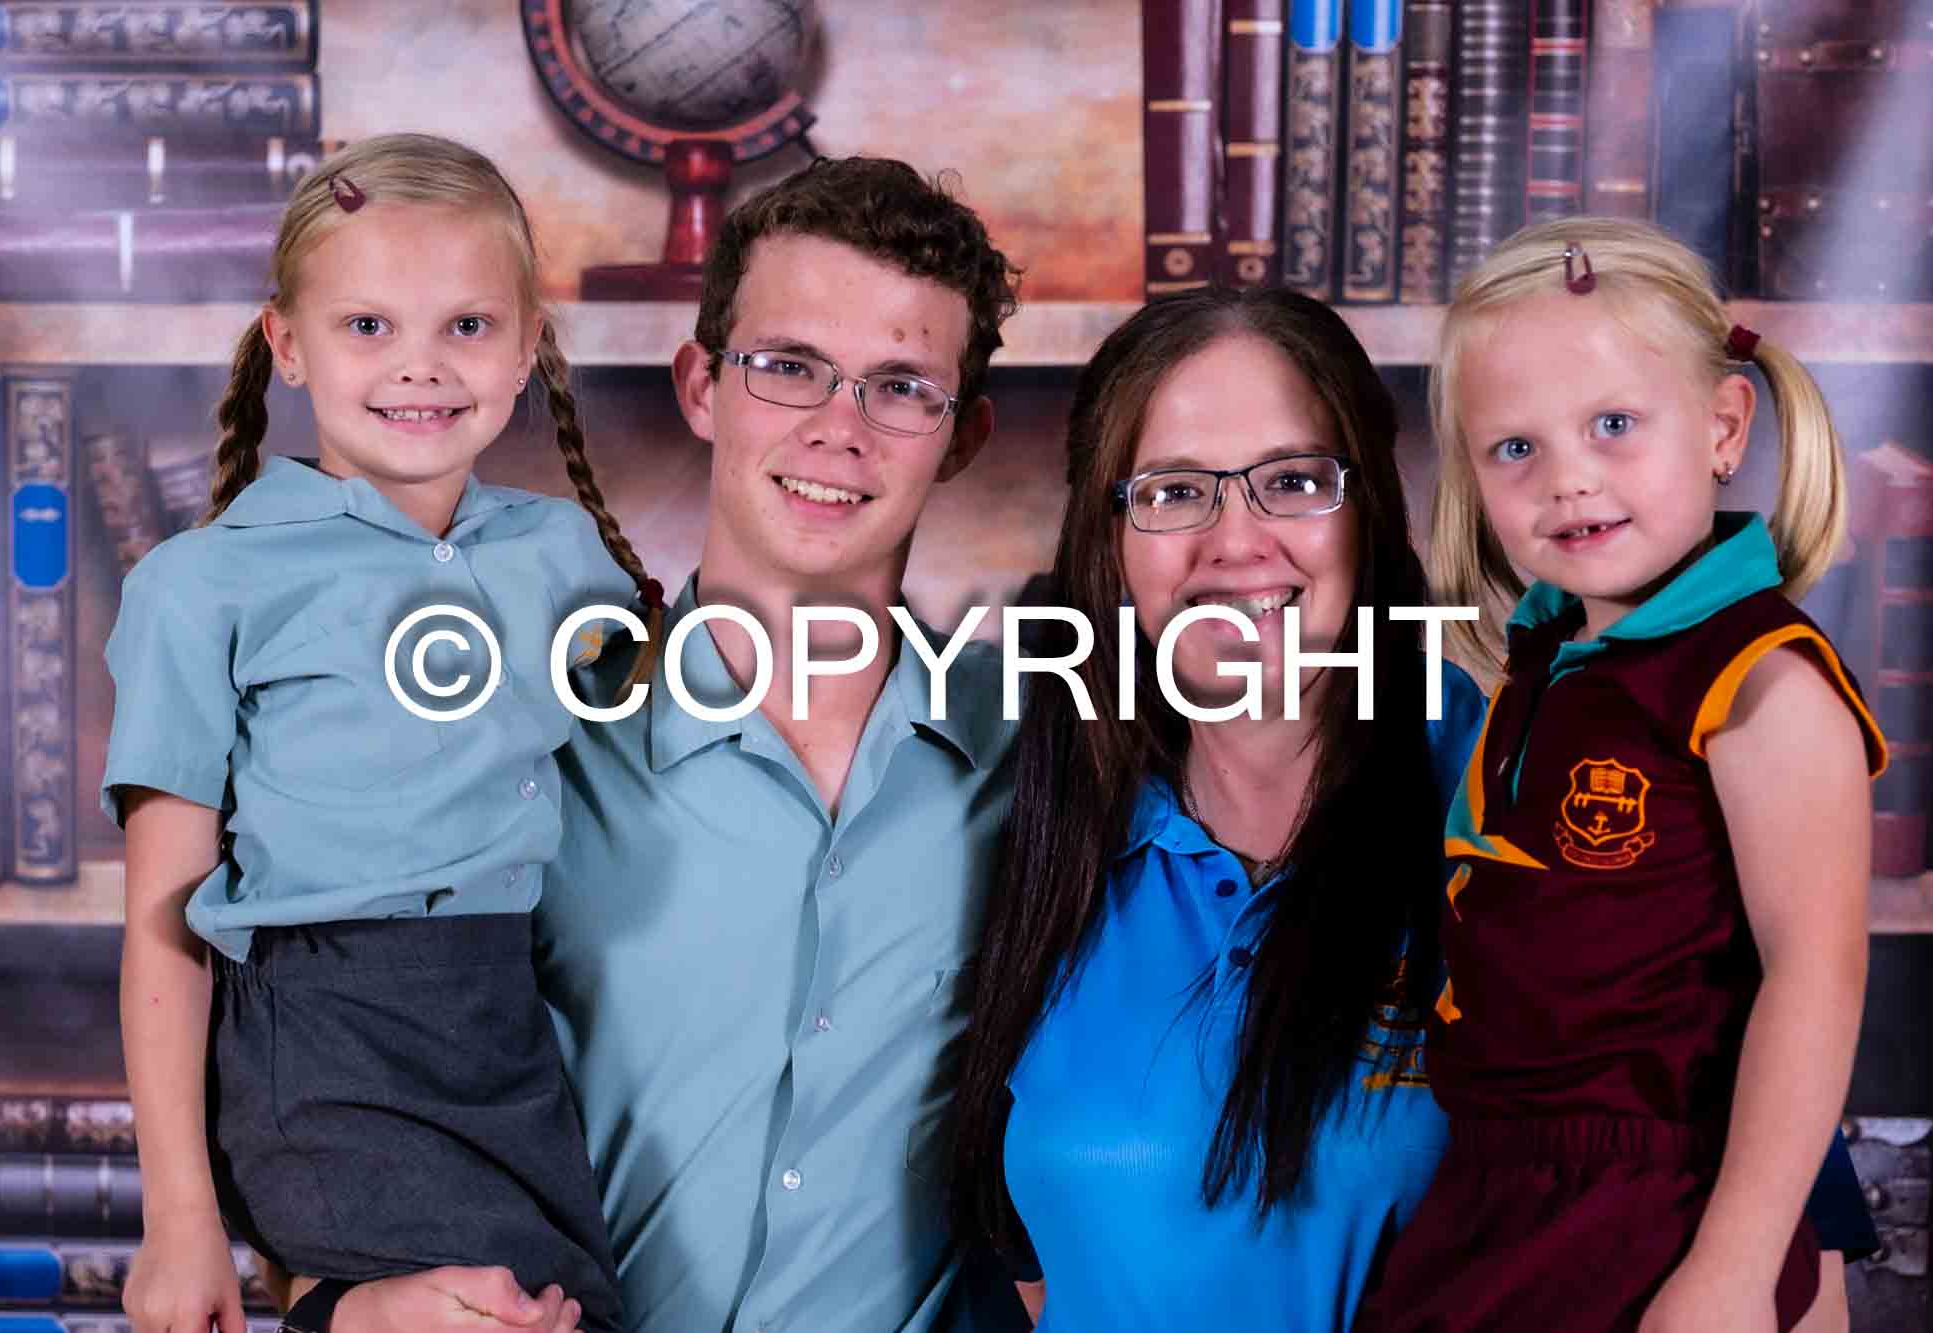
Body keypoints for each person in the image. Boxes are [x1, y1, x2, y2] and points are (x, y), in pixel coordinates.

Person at [330, 156, 1031, 1333]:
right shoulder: (525, 738)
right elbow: (353, 1084)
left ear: (962, 437)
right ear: (701, 386)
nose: (839, 430)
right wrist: (342, 1305)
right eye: (789, 367)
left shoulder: (1043, 764)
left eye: (902, 387)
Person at [102, 134, 664, 1333]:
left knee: (558, 1313)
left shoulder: (565, 558)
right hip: (324, 1027)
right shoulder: (202, 587)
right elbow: (163, 922)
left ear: (528, 344)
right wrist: (180, 1216)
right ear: (288, 344)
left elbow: (661, 736)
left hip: (502, 1021)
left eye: (468, 325)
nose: (422, 365)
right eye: (367, 325)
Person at [1355, 217, 1885, 1332]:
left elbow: (1814, 977)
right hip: (1494, 1184)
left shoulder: (1760, 684)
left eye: (1612, 425)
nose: (1569, 480)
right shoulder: (1545, 665)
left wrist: (1733, 1270)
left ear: (1721, 426)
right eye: (1514, 448)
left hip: (1656, 1201)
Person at [946, 284, 1487, 1331]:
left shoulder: (1503, 800)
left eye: (1293, 481)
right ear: (1108, 539)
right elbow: (1035, 1257)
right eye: (1173, 491)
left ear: (1369, 508)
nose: (1236, 542)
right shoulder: (1034, 824)